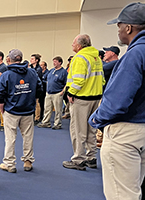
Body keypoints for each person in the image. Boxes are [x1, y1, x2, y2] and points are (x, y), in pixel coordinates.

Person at [88, 3, 145, 199]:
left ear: (128, 28)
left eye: (119, 26)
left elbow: (118, 100)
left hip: (127, 132)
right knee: (135, 188)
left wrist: (97, 119)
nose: (118, 31)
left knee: (122, 195)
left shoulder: (135, 54)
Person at [62, 34, 105, 171]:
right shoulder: (96, 57)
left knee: (78, 130)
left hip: (82, 98)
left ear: (79, 46)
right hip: (95, 97)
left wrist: (71, 93)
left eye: (73, 43)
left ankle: (78, 159)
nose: (72, 46)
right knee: (91, 129)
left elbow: (79, 79)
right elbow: (102, 79)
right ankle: (91, 158)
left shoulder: (80, 58)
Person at [0, 49, 42, 173]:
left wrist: (2, 107)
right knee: (28, 136)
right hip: (28, 110)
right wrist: (32, 100)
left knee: (10, 138)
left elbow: (0, 93)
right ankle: (28, 161)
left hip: (11, 111)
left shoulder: (6, 75)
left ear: (9, 59)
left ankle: (9, 163)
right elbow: (39, 88)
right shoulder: (32, 73)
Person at [37, 56, 67, 130]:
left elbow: (67, 83)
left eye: (56, 61)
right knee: (47, 109)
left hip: (57, 93)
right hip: (49, 93)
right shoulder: (51, 70)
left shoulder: (63, 72)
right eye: (53, 61)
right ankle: (46, 122)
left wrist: (62, 91)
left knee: (58, 110)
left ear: (60, 63)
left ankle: (57, 123)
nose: (54, 63)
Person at [30, 54, 43, 125]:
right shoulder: (31, 68)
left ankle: (37, 118)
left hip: (37, 88)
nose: (31, 60)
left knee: (37, 102)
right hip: (31, 87)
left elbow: (37, 79)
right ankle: (33, 116)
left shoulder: (38, 69)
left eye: (32, 59)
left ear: (36, 60)